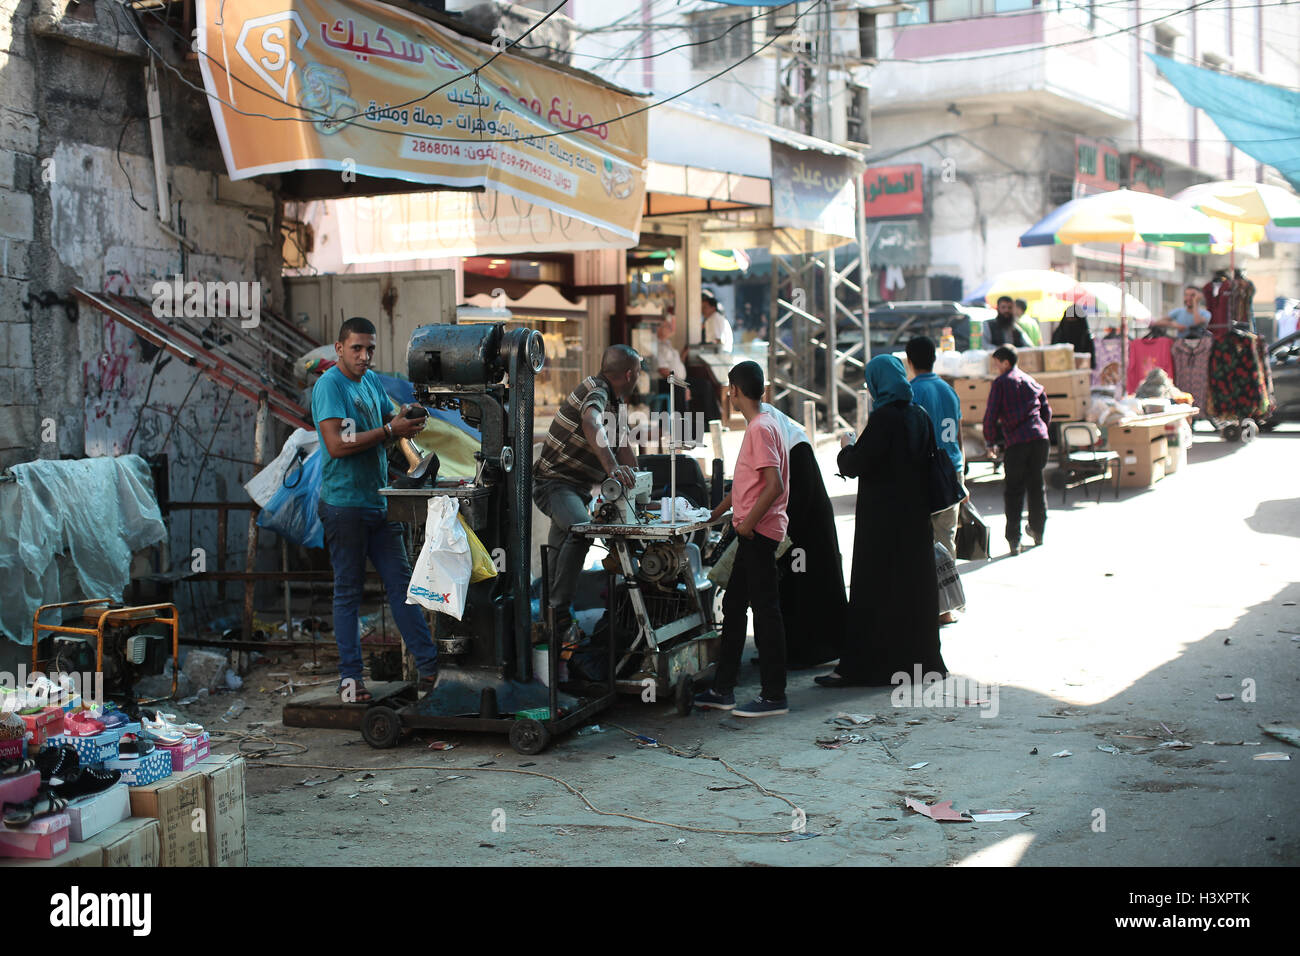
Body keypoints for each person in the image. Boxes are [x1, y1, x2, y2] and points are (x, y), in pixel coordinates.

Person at [313, 317, 440, 703]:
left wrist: (410, 415)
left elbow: (391, 415)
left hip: (380, 504)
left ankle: (432, 672)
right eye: (356, 348)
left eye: (369, 349)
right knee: (348, 594)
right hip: (344, 507)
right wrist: (389, 432)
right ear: (339, 349)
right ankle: (350, 681)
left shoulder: (369, 381)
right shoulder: (329, 386)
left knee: (405, 590)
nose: (365, 356)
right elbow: (336, 444)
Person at [815, 355, 947, 687]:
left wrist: (846, 447)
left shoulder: (885, 418)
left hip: (883, 524)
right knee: (912, 591)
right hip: (915, 521)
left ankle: (863, 668)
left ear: (876, 383)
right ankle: (918, 664)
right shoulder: (919, 415)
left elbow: (856, 464)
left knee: (875, 592)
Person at [695, 361, 791, 717]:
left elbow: (773, 485)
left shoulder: (761, 428)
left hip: (759, 533)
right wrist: (714, 513)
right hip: (752, 531)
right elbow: (745, 486)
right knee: (734, 608)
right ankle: (723, 688)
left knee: (765, 611)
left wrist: (747, 525)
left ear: (734, 390)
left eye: (729, 389)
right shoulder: (764, 423)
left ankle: (773, 695)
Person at [533, 345, 642, 634]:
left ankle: (550, 621)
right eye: (640, 372)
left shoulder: (616, 405)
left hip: (575, 488)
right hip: (553, 483)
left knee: (558, 553)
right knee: (581, 531)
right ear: (630, 374)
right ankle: (558, 615)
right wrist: (612, 469)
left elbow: (623, 448)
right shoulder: (595, 389)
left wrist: (642, 490)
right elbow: (590, 421)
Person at [758, 401, 848, 668]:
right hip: (794, 528)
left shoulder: (797, 446)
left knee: (808, 590)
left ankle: (812, 651)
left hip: (809, 530)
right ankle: (790, 649)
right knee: (792, 589)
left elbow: (801, 495)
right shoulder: (781, 440)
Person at [905, 336, 965, 624]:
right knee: (946, 539)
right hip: (952, 469)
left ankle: (924, 603)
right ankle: (946, 607)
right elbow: (959, 432)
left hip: (927, 473)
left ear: (910, 361)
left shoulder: (912, 392)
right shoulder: (948, 390)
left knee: (922, 540)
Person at [983, 345, 1052, 555]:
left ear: (1005, 362)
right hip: (1040, 439)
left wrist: (991, 440)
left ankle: (1014, 540)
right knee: (1036, 485)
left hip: (1017, 442)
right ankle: (1038, 531)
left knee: (1014, 490)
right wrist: (1040, 429)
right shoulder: (1031, 381)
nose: (996, 368)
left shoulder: (1001, 383)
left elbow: (991, 414)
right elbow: (1046, 410)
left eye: (996, 364)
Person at [653, 313, 689, 411]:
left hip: (678, 379)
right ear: (659, 328)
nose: (671, 329)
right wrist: (681, 383)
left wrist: (684, 354)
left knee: (704, 385)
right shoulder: (657, 346)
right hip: (664, 381)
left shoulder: (667, 343)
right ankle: (681, 424)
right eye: (667, 326)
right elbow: (663, 370)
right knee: (680, 388)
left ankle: (711, 422)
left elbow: (675, 363)